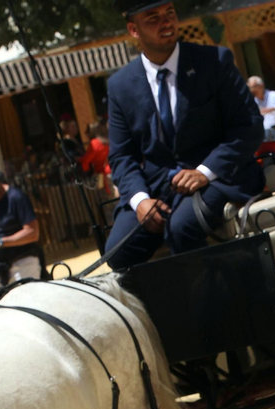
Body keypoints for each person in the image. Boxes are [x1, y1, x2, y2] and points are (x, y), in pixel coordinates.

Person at [103, 0, 266, 269]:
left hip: (218, 178)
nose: (165, 22)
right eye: (152, 18)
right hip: (156, 189)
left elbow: (248, 125)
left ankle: (210, 306)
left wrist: (205, 171)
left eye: (170, 14)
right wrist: (141, 201)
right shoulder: (120, 85)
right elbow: (121, 156)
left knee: (182, 228)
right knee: (118, 252)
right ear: (134, 30)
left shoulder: (214, 61)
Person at [246, 76, 275, 142]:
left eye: (253, 87)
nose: (252, 90)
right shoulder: (254, 102)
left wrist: (273, 108)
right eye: (250, 87)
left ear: (261, 86)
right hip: (267, 134)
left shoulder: (273, 95)